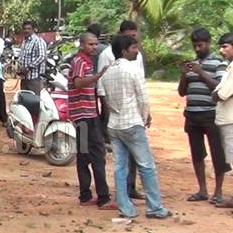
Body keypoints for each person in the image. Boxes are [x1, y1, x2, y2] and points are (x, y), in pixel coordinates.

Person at [98, 35, 170, 219]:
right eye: (134, 48)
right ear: (124, 51)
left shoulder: (107, 72)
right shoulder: (133, 69)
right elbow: (143, 99)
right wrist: (144, 117)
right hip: (132, 122)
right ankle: (154, 207)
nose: (137, 51)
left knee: (120, 167)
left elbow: (105, 99)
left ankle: (125, 207)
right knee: (146, 166)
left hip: (115, 124)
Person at [177, 28, 229, 204]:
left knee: (218, 153)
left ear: (208, 43)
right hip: (192, 114)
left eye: (200, 45)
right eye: (195, 46)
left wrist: (200, 72)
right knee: (197, 153)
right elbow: (182, 92)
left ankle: (218, 192)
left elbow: (220, 87)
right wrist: (184, 75)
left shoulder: (219, 63)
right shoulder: (192, 64)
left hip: (211, 114)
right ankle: (202, 190)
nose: (197, 49)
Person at [97, 20, 146, 200]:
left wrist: (144, 113)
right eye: (129, 36)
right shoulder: (107, 55)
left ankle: (130, 187)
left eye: (135, 35)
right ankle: (121, 193)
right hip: (116, 112)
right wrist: (108, 113)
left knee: (135, 155)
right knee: (121, 157)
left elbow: (141, 85)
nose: (133, 39)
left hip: (133, 113)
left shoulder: (136, 55)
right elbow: (101, 88)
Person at [68, 32, 116, 210]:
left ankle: (86, 195)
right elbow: (78, 83)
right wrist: (99, 76)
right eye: (91, 44)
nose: (94, 47)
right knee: (97, 154)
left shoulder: (84, 61)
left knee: (84, 155)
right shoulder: (80, 61)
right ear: (82, 45)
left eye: (96, 44)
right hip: (85, 114)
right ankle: (103, 198)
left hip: (83, 114)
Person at [211, 33, 233, 208]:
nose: (221, 50)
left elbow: (222, 93)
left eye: (225, 46)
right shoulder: (228, 67)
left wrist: (216, 94)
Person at [18, 20, 47, 93]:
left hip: (35, 78)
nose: (26, 31)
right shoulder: (25, 42)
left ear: (33, 30)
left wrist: (28, 68)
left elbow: (42, 56)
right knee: (24, 98)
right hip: (24, 78)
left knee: (35, 98)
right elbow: (22, 57)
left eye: (29, 29)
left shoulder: (38, 41)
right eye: (25, 29)